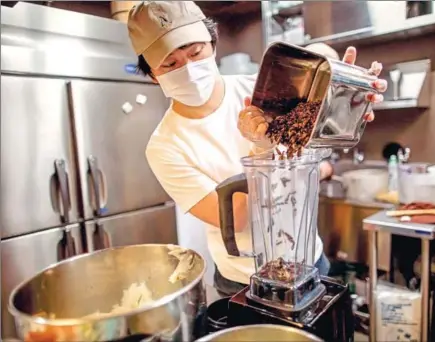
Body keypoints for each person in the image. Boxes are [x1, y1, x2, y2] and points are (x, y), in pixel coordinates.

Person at [127, 1, 387, 296]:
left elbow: (314, 145)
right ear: (151, 73)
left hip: (309, 262)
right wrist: (259, 149)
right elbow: (236, 220)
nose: (187, 69)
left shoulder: (262, 88)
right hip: (245, 282)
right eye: (170, 63)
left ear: (213, 44)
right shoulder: (165, 146)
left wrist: (344, 102)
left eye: (195, 52)